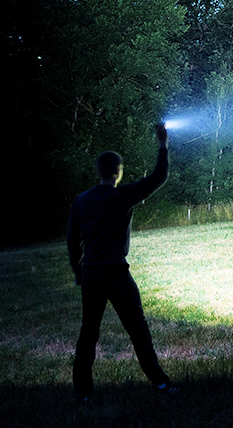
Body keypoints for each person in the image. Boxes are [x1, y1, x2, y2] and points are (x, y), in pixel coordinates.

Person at [67, 123, 181, 405]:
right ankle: (161, 383)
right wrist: (163, 144)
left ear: (99, 171)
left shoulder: (81, 201)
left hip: (92, 275)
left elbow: (72, 240)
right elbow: (159, 176)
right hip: (116, 273)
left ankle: (82, 392)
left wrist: (78, 272)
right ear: (118, 172)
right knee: (138, 330)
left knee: (88, 333)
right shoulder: (122, 196)